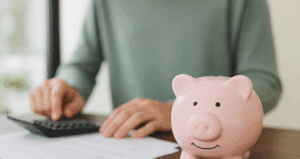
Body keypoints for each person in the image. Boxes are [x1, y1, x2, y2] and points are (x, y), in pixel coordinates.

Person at [30, 0, 282, 139]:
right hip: (128, 144)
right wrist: (69, 85)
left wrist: (177, 112)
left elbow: (264, 83)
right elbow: (81, 66)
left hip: (212, 150)